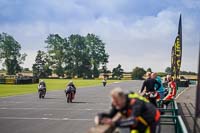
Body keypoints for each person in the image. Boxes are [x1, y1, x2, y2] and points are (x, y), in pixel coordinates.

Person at [95, 88, 160, 133]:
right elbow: (110, 115)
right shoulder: (118, 103)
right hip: (138, 122)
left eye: (117, 103)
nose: (116, 106)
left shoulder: (135, 103)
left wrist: (114, 123)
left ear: (123, 98)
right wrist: (99, 117)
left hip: (151, 119)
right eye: (114, 103)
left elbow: (132, 121)